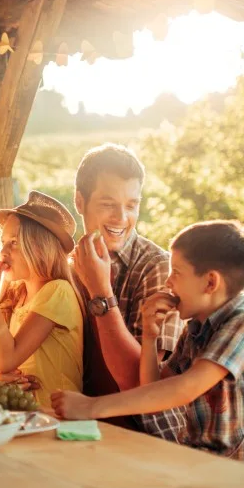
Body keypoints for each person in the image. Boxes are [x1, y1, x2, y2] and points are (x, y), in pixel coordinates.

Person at [53, 220, 244, 463]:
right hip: (196, 462)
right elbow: (152, 389)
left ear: (210, 282)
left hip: (235, 474)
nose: (168, 282)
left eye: (177, 273)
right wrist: (150, 337)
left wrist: (90, 407)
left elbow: (186, 388)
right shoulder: (195, 329)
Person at [72, 143, 186, 440]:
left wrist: (100, 290)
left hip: (148, 435)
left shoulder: (158, 268)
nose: (121, 217)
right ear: (80, 202)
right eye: (108, 204)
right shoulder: (66, 265)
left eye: (131, 205)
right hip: (77, 427)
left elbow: (141, 385)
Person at [0, 191, 85, 407]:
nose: (3, 251)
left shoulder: (58, 291)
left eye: (15, 242)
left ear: (40, 247)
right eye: (3, 241)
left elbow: (8, 361)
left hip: (55, 416)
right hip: (21, 415)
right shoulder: (15, 295)